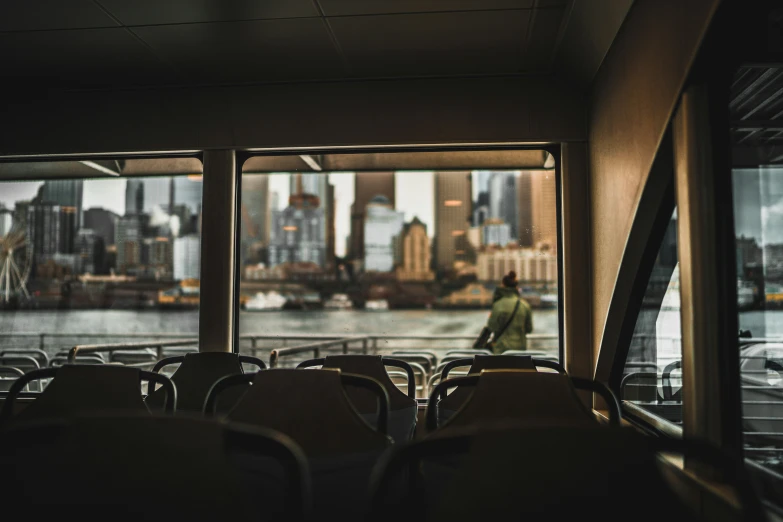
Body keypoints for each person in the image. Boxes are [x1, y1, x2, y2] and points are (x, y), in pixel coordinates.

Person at [486, 271, 533, 354]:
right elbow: (529, 329)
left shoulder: (498, 304)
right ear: (516, 286)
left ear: (503, 285)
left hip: (501, 350)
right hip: (520, 350)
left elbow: (492, 326)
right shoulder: (524, 305)